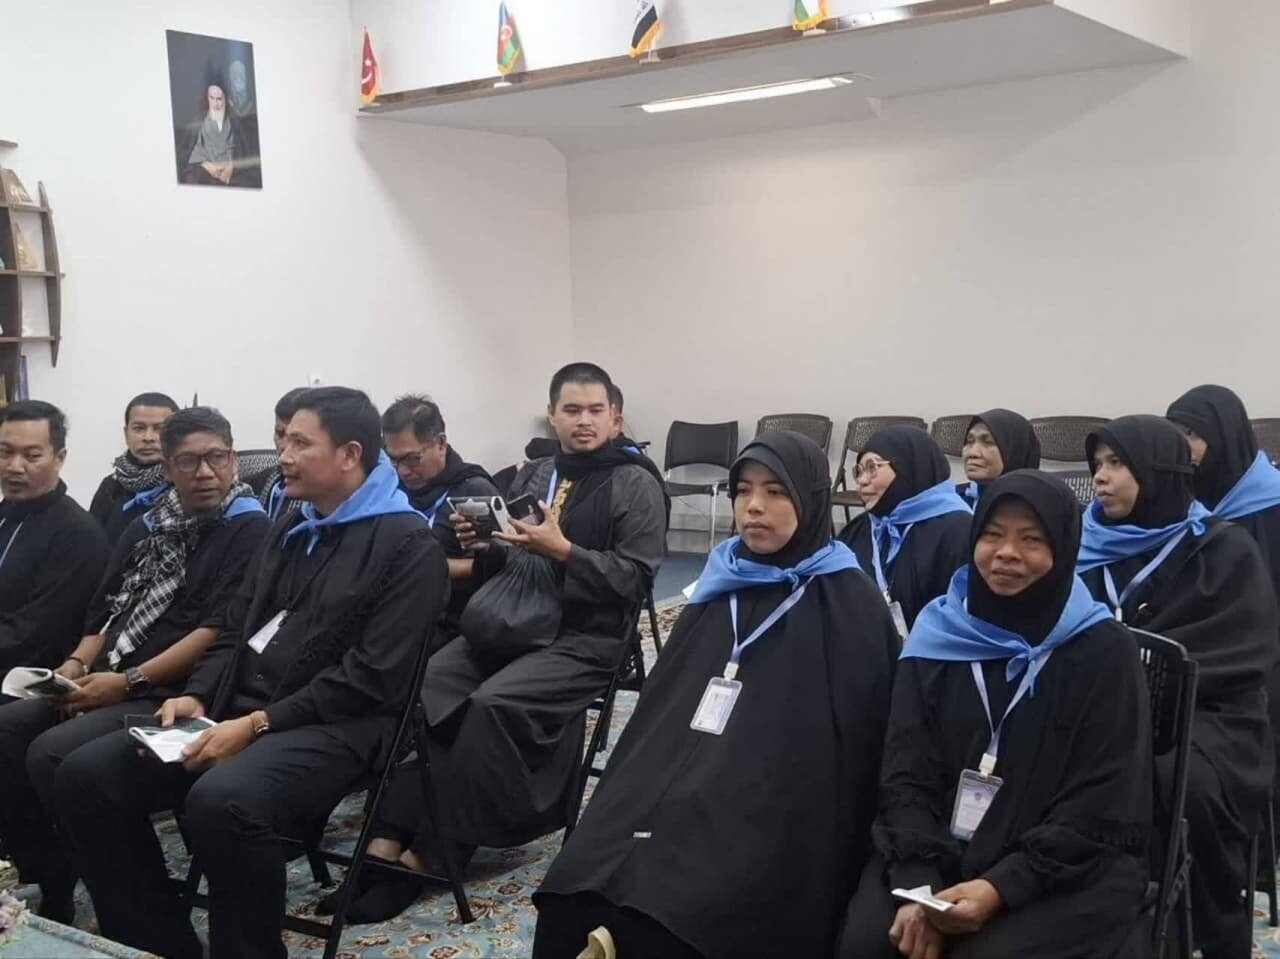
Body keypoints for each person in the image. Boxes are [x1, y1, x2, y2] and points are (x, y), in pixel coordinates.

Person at [53, 387, 449, 959]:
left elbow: (373, 678)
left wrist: (260, 722)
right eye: (283, 439)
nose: (282, 454)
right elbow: (238, 628)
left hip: (346, 725)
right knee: (85, 776)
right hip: (244, 709)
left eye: (299, 442)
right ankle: (159, 940)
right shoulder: (293, 523)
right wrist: (197, 696)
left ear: (349, 454)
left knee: (223, 801)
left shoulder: (409, 544)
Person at [533, 431, 901, 959]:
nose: (754, 506)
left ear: (811, 499)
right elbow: (657, 717)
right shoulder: (722, 581)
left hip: (771, 804)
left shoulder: (849, 601)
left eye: (776, 492)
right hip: (677, 781)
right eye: (744, 489)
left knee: (677, 918)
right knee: (574, 888)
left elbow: (849, 757)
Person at [341, 362, 667, 923]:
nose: (583, 422)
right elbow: (506, 559)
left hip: (583, 638)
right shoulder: (535, 474)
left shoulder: (637, 483)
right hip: (510, 622)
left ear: (615, 417)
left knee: (490, 708)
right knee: (426, 689)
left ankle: (436, 852)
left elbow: (634, 581)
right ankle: (386, 838)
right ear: (553, 414)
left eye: (595, 411)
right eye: (571, 410)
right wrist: (486, 543)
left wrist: (563, 551)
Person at [840, 470, 1151, 959]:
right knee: (867, 944)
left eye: (1031, 539)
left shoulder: (1101, 651)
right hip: (935, 846)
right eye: (992, 535)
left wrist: (1000, 887)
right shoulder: (940, 634)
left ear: (1064, 550)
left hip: (1062, 865)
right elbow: (905, 770)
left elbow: (1101, 798)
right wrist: (919, 887)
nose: (1007, 553)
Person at [0, 407, 268, 923]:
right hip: (114, 672)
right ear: (167, 468)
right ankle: (55, 870)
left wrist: (125, 683)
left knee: (58, 759)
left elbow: (216, 630)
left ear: (234, 461)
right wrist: (76, 667)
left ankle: (146, 921)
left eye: (216, 458)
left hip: (178, 690)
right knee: (10, 730)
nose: (204, 473)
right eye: (188, 461)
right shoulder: (149, 524)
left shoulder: (249, 529)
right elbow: (107, 609)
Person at [1078, 414, 1277, 959]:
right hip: (1100, 712)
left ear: (1158, 470)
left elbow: (1244, 651)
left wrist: (1131, 675)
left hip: (1210, 719)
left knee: (1168, 781)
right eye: (1098, 465)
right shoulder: (1083, 546)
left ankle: (1198, 926)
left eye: (1117, 464)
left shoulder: (1223, 549)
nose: (1100, 477)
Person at [1168, 384, 1280, 836]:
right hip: (1211, 653)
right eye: (1177, 434)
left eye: (1194, 434)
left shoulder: (1272, 505)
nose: (1186, 448)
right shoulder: (1184, 511)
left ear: (1227, 437)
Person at [0, 400, 109, 672]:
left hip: (26, 677)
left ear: (59, 458)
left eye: (32, 456)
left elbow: (33, 634)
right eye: (5, 453)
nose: (14, 466)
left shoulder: (77, 534)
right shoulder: (6, 512)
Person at [382, 394, 498, 640]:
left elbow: (502, 568)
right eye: (393, 459)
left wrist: (421, 565)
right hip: (398, 613)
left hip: (454, 623)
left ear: (441, 444)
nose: (403, 471)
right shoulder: (392, 491)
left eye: (412, 459)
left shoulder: (473, 491)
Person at [838, 426, 972, 633]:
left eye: (873, 468)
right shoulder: (861, 529)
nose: (862, 481)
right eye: (859, 471)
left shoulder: (957, 531)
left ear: (909, 466)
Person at [89, 392, 179, 543]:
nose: (148, 437)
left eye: (159, 429)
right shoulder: (111, 487)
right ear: (126, 433)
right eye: (139, 428)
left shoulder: (183, 484)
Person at [179, 76, 253, 187]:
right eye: (212, 98)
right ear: (207, 98)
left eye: (219, 99)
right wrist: (207, 165)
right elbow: (190, 152)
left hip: (231, 171)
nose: (215, 104)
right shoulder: (198, 122)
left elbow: (243, 150)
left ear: (225, 99)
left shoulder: (235, 122)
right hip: (204, 169)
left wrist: (231, 165)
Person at [957, 409, 1041, 504]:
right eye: (969, 441)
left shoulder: (1035, 508)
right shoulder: (956, 500)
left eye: (988, 442)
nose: (972, 453)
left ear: (1015, 452)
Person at [250, 386, 308, 520]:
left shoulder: (326, 498)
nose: (283, 446)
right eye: (280, 434)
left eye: (297, 440)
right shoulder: (264, 481)